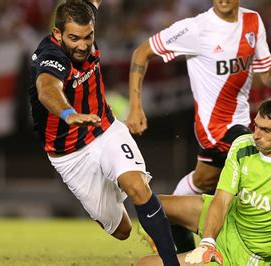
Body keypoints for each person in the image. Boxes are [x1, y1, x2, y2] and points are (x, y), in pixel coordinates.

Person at [126, 0, 271, 255]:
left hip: (242, 122)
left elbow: (267, 74)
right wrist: (135, 105)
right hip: (214, 127)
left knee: (203, 178)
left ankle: (161, 220)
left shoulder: (253, 22)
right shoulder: (196, 28)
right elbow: (141, 52)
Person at [28, 1, 179, 265]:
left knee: (137, 186)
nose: (83, 45)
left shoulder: (85, 16)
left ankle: (171, 262)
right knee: (123, 231)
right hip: (70, 157)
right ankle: (117, 195)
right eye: (74, 38)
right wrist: (68, 113)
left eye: (88, 37)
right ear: (57, 34)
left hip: (105, 130)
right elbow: (47, 88)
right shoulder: (51, 57)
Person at [137, 91, 271, 265]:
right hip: (230, 220)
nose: (256, 135)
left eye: (266, 130)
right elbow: (222, 198)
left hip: (245, 254)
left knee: (143, 264)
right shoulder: (243, 145)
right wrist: (208, 242)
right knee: (158, 206)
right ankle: (193, 252)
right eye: (256, 126)